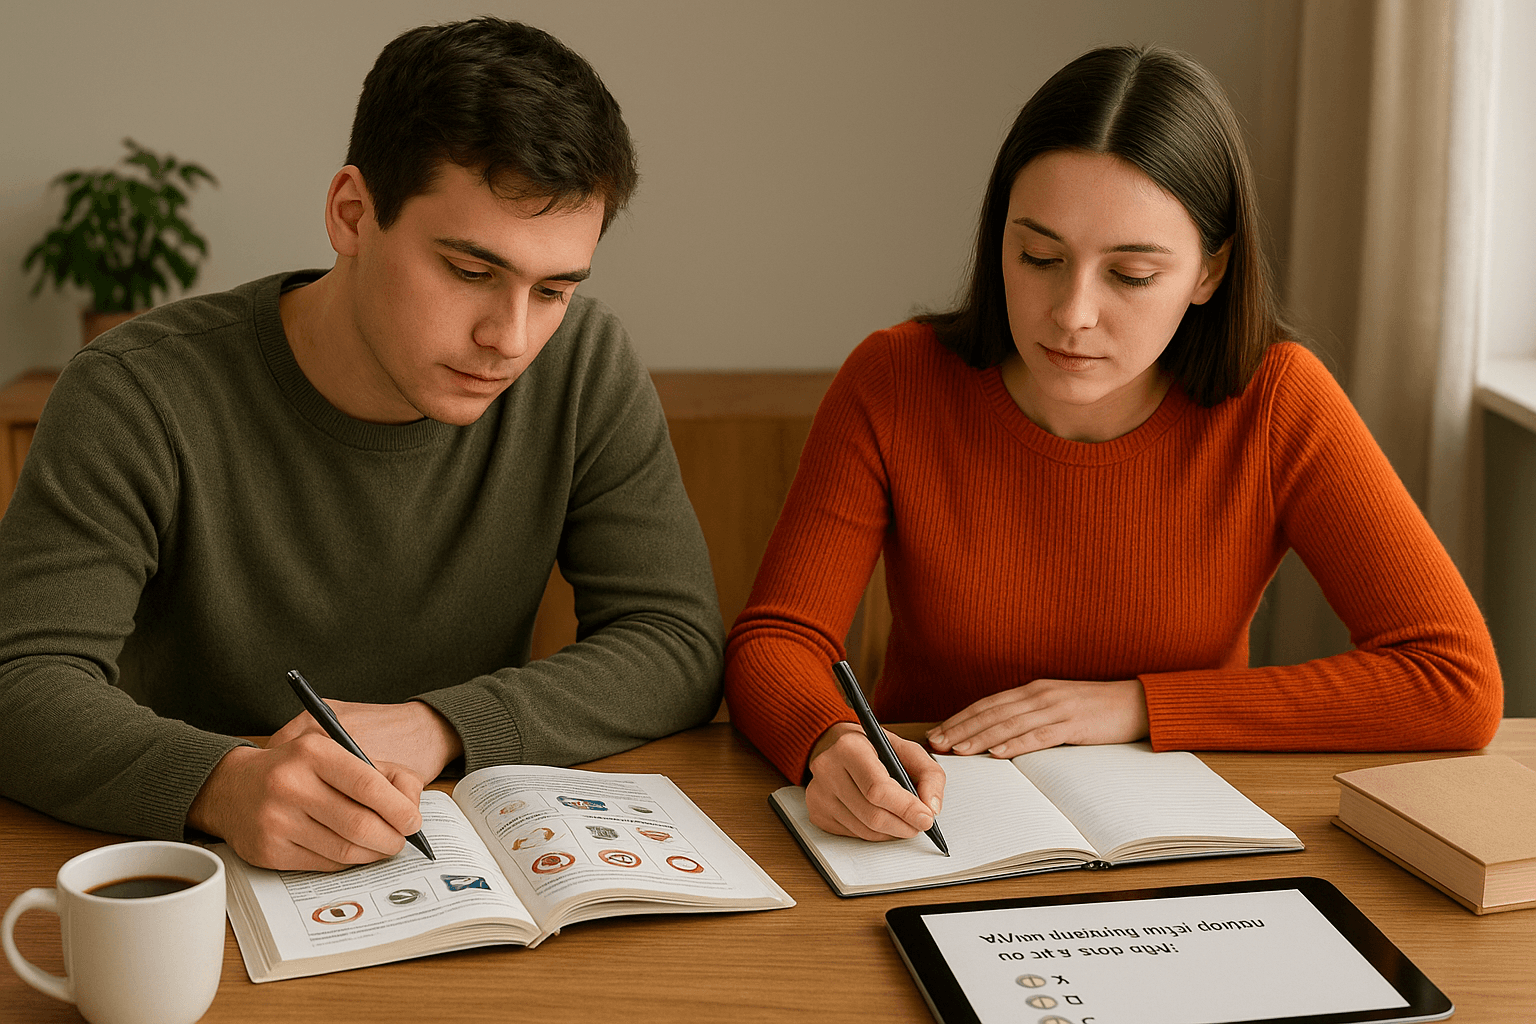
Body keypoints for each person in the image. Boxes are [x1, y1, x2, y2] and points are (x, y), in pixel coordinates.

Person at [723, 44, 1502, 844]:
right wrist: (833, 741)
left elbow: (1453, 679)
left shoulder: (1276, 400)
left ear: (1209, 271)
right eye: (1038, 257)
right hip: (934, 831)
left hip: (1182, 837)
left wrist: (1134, 702)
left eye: (1130, 274)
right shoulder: (897, 380)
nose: (1071, 313)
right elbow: (778, 641)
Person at [0, 19, 724, 871]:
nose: (511, 338)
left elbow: (675, 639)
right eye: (469, 271)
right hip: (208, 873)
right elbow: (22, 678)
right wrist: (222, 784)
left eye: (555, 288)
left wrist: (441, 723)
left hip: (446, 865)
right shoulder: (134, 391)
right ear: (352, 213)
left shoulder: (582, 363)